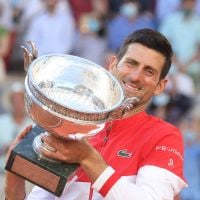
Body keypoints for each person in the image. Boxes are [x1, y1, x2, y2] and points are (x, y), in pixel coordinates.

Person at [5, 28, 187, 199]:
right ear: (113, 65)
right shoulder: (73, 126)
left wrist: (87, 158)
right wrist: (14, 176)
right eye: (131, 64)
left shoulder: (163, 136)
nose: (136, 76)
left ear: (160, 86)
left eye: (149, 71)